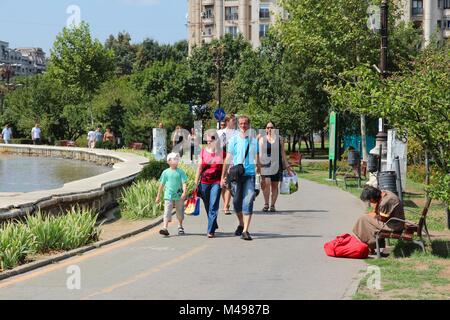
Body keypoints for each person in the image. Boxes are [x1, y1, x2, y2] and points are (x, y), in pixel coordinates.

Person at [221, 115, 260, 241]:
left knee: (248, 201)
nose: (243, 126)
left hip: (249, 175)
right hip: (237, 175)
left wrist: (261, 175)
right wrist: (223, 176)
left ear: (249, 125)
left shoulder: (253, 141)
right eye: (241, 124)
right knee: (236, 202)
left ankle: (245, 231)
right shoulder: (233, 140)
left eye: (245, 124)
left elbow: (257, 158)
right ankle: (241, 223)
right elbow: (228, 158)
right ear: (238, 125)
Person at [353, 186, 405, 254]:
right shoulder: (384, 193)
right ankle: (370, 245)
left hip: (394, 225)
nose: (370, 202)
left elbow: (382, 219)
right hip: (395, 222)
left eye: (369, 200)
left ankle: (370, 246)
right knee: (366, 220)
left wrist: (372, 216)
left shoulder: (385, 202)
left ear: (372, 198)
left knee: (363, 219)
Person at [194, 131, 225, 238]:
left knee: (213, 205)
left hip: (216, 182)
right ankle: (213, 223)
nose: (209, 142)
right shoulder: (202, 152)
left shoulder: (222, 153)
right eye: (207, 141)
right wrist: (195, 182)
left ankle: (210, 230)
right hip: (204, 182)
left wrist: (223, 179)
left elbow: (226, 168)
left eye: (211, 140)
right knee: (207, 205)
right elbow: (199, 167)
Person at [258, 121, 293, 212]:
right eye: (268, 127)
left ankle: (272, 205)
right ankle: (266, 204)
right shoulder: (262, 139)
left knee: (274, 185)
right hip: (266, 165)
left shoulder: (280, 139)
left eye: (272, 127)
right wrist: (259, 166)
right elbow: (260, 154)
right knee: (266, 183)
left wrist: (287, 166)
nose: (270, 129)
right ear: (266, 129)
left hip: (277, 165)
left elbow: (283, 153)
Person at [156, 153, 188, 237]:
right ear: (168, 161)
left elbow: (184, 183)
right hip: (168, 195)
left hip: (179, 195)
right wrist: (158, 196)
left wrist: (184, 192)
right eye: (174, 159)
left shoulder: (180, 172)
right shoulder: (165, 172)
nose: (176, 161)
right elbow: (161, 184)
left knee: (179, 212)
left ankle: (180, 226)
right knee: (167, 212)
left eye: (177, 159)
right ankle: (165, 228)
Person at [217, 115, 239, 215]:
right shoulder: (220, 133)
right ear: (227, 122)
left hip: (233, 161)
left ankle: (226, 206)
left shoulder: (238, 133)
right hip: (221, 160)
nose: (235, 122)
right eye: (233, 120)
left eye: (235, 120)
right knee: (223, 184)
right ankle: (226, 202)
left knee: (229, 183)